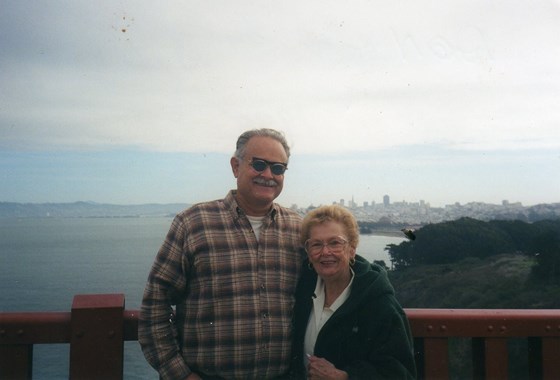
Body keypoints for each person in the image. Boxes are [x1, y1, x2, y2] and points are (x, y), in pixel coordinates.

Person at [139, 128, 305, 380]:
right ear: (235, 166)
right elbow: (155, 304)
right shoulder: (194, 223)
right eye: (258, 164)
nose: (268, 175)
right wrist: (180, 374)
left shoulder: (298, 228)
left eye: (278, 168)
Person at [290, 205, 416, 379]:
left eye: (335, 243)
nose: (325, 252)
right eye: (316, 244)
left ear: (352, 249)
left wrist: (345, 377)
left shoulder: (380, 304)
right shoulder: (303, 289)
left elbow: (401, 374)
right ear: (308, 252)